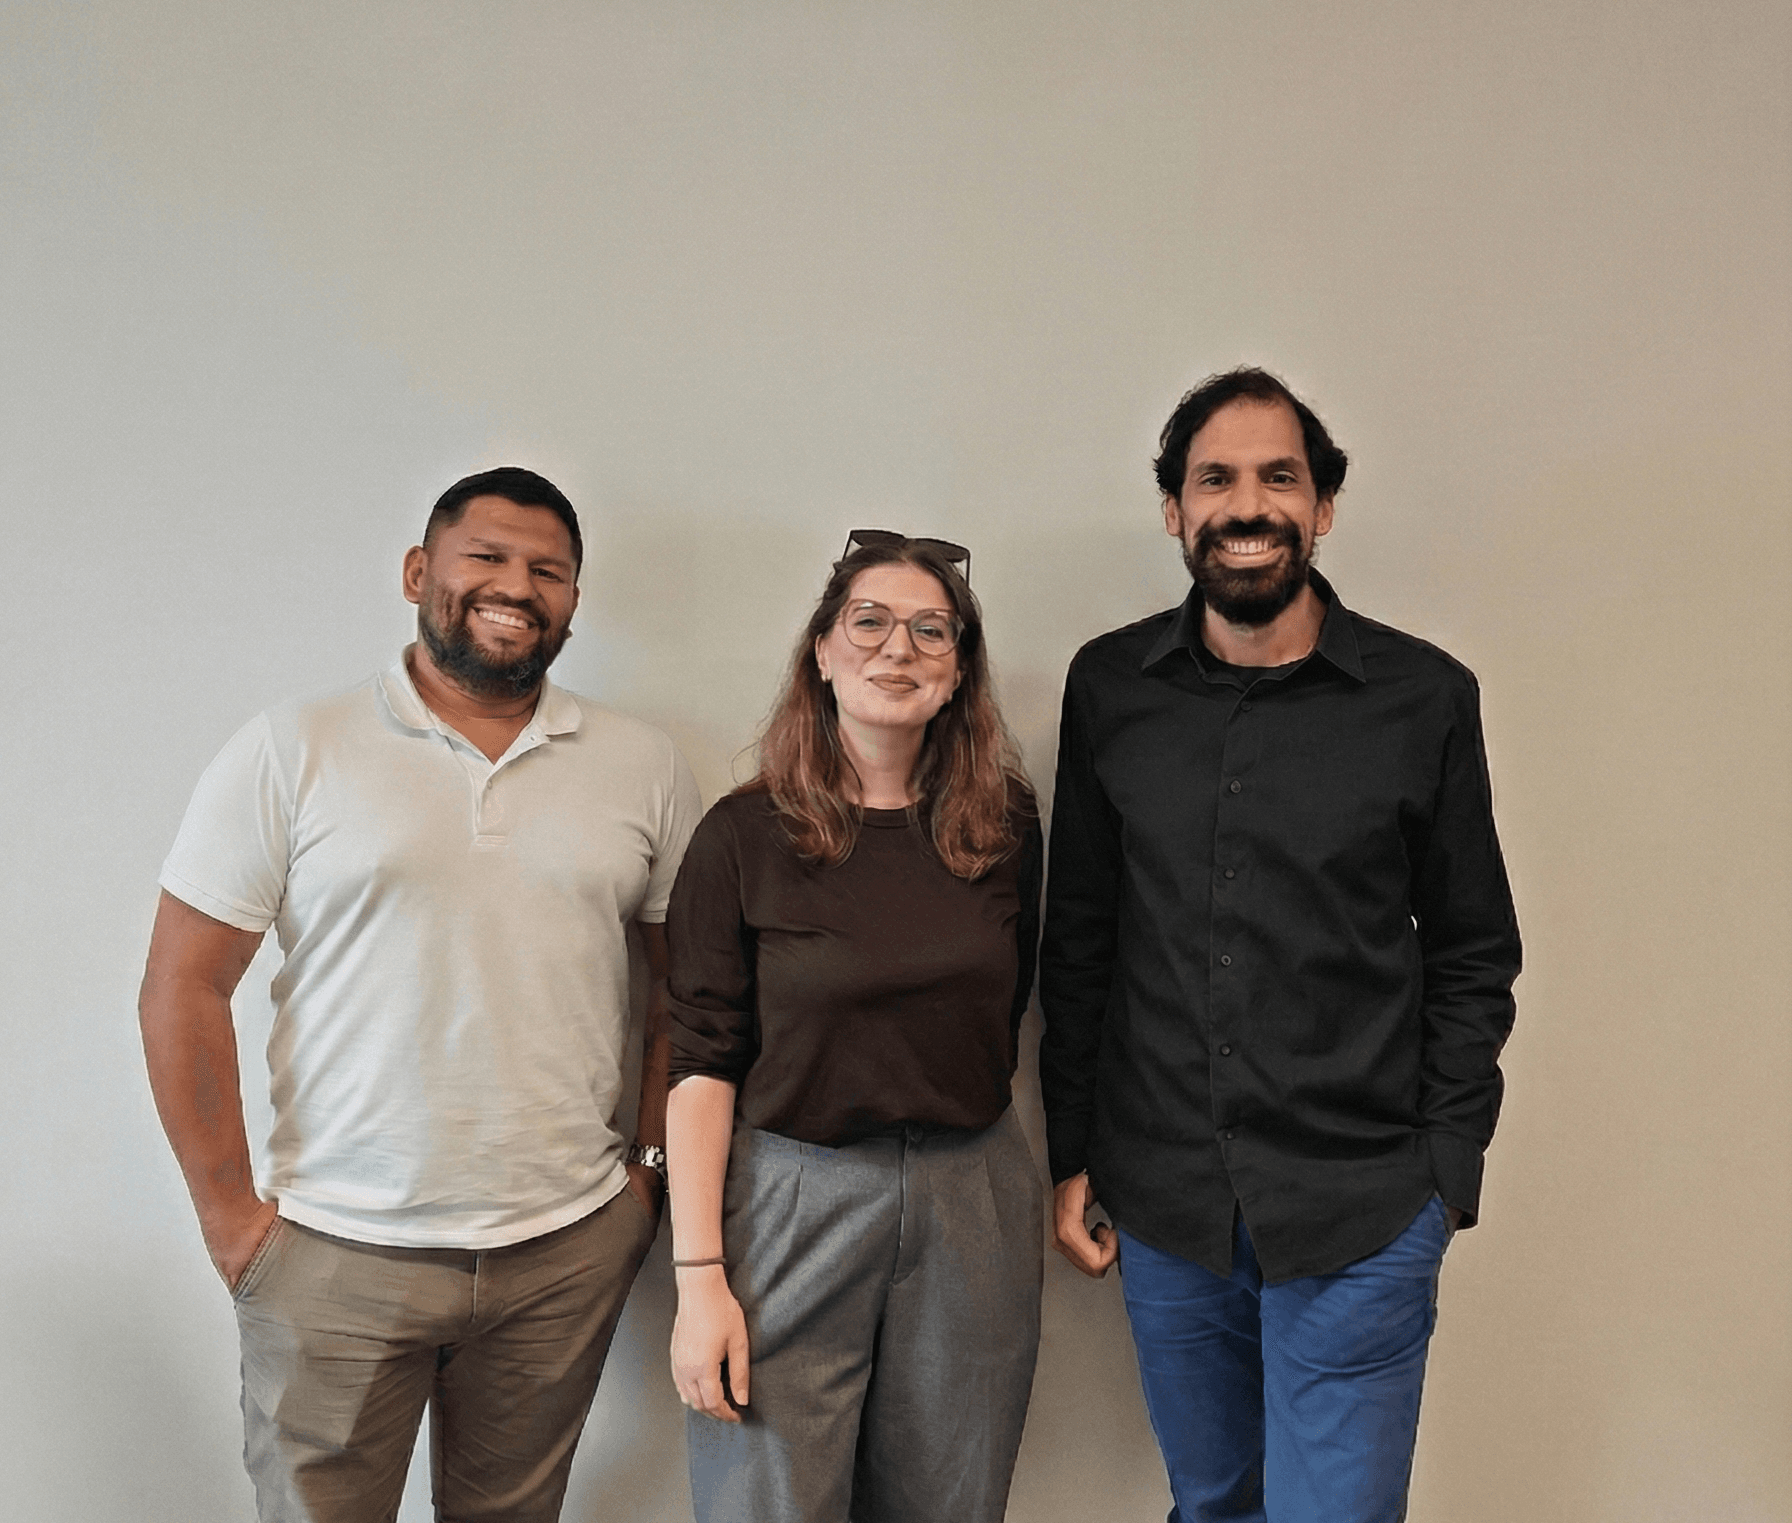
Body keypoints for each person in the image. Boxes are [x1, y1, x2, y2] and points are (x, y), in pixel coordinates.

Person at [138, 467, 701, 1523]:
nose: (515, 585)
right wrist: (229, 1219)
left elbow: (687, 996)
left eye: (548, 570)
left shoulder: (644, 766)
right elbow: (182, 985)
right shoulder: (292, 747)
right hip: (336, 1251)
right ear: (418, 572)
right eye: (485, 556)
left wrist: (646, 1182)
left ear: (574, 601)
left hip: (564, 1247)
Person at [1041, 369, 1522, 1523]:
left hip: (1361, 1202)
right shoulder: (1110, 686)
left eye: (1277, 477)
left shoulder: (1424, 695)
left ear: (1322, 506)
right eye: (1214, 478)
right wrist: (1074, 1148)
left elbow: (1472, 947)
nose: (1245, 504)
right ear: (1173, 510)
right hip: (1166, 1202)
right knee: (1212, 1503)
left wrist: (1442, 1172)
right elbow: (1081, 937)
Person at [663, 530, 1044, 1523]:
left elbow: (1006, 1004)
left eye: (931, 629)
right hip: (792, 1192)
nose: (898, 647)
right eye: (868, 621)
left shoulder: (1003, 825)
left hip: (973, 1192)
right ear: (821, 650)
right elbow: (700, 1062)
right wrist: (698, 1277)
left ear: (960, 668)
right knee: (767, 1499)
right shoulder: (740, 835)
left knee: (948, 1501)